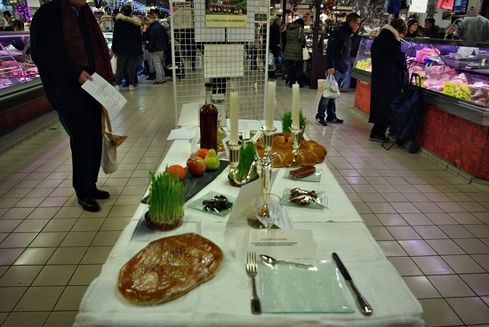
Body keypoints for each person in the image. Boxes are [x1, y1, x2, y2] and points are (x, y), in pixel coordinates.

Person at [30, 0, 114, 212]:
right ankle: (82, 191)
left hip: (92, 86)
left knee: (94, 136)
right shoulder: (48, 13)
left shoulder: (83, 13)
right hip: (68, 90)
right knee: (81, 139)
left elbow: (92, 48)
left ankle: (91, 184)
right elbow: (42, 54)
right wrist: (74, 72)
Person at [315, 12, 361, 126]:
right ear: (351, 22)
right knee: (328, 92)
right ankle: (320, 115)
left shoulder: (349, 34)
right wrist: (330, 66)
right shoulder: (338, 33)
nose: (358, 26)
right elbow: (330, 50)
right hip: (334, 68)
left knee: (333, 93)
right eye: (358, 24)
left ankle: (331, 115)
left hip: (341, 67)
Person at [369, 18, 408, 142]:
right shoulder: (391, 40)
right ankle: (378, 133)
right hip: (388, 79)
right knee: (386, 106)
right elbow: (399, 59)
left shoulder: (381, 37)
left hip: (379, 77)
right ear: (399, 30)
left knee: (380, 104)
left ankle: (376, 131)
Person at [112, 5, 143, 91]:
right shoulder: (135, 24)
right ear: (131, 12)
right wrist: (138, 48)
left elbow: (115, 37)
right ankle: (131, 85)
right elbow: (139, 38)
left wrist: (114, 49)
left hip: (121, 49)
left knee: (120, 68)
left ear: (122, 12)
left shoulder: (118, 23)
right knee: (131, 68)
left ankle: (118, 85)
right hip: (133, 49)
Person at [283, 18, 305, 87]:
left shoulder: (289, 28)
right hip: (297, 50)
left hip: (288, 49)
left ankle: (290, 81)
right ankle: (299, 82)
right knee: (298, 67)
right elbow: (302, 39)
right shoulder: (300, 29)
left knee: (290, 66)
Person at [147, 14, 169, 85]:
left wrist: (150, 48)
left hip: (155, 48)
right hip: (162, 48)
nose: (148, 21)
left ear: (152, 19)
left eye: (148, 20)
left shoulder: (153, 28)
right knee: (160, 64)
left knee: (157, 64)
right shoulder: (161, 27)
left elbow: (152, 40)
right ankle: (162, 78)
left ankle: (159, 79)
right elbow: (166, 37)